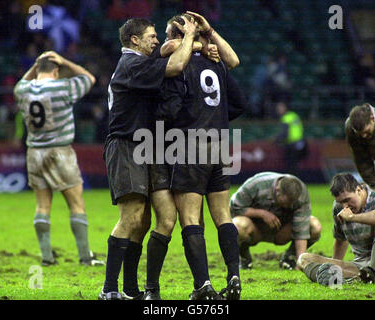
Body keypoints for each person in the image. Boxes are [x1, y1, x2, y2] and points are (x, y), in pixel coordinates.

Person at [143, 12, 243, 300]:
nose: (163, 40)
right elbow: (240, 101)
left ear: (177, 35)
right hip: (221, 144)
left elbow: (170, 109)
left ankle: (203, 286)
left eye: (166, 35)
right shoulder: (216, 62)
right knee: (224, 216)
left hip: (190, 144)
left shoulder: (178, 66)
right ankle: (234, 276)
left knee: (190, 220)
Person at [99, 17, 197, 300]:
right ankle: (108, 290)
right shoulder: (132, 64)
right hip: (126, 145)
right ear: (135, 40)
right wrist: (190, 36)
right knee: (130, 217)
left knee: (141, 221)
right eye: (151, 36)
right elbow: (176, 65)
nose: (155, 41)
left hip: (141, 146)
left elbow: (167, 54)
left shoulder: (138, 64)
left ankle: (130, 290)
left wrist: (188, 44)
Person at [13, 51, 105, 267]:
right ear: (55, 71)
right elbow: (89, 78)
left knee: (42, 206)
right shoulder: (63, 87)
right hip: (60, 152)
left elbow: (21, 83)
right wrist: (65, 62)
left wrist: (36, 66)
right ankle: (85, 257)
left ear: (37, 70)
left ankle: (46, 257)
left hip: (35, 153)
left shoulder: (23, 90)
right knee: (76, 204)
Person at [297, 173, 375, 285]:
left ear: (358, 190)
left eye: (347, 200)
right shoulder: (338, 208)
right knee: (304, 259)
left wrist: (353, 217)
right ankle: (337, 278)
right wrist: (331, 266)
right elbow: (340, 240)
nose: (345, 206)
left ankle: (373, 274)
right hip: (361, 264)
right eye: (341, 202)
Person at [230, 172, 322, 270]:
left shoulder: (300, 194)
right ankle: (244, 257)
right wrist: (261, 213)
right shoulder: (256, 185)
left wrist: (300, 263)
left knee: (314, 226)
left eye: (292, 204)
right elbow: (234, 208)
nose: (289, 206)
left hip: (282, 232)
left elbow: (302, 229)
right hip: (254, 229)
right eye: (286, 203)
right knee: (236, 226)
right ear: (277, 190)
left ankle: (290, 258)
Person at [275, 101, 308, 175]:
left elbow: (285, 133)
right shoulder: (294, 115)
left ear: (285, 108)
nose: (278, 110)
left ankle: (290, 182)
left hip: (292, 143)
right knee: (295, 164)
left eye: (280, 108)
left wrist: (276, 140)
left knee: (290, 165)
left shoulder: (286, 118)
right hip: (301, 142)